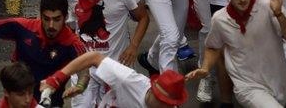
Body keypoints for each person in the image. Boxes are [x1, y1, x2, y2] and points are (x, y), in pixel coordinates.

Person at [187, 0, 286, 107]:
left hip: (278, 81)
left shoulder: (270, 7)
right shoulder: (220, 19)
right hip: (247, 86)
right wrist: (206, 68)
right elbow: (213, 47)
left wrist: (279, 15)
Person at [60, 0, 149, 106]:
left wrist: (133, 46)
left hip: (117, 66)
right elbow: (67, 27)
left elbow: (143, 17)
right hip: (84, 67)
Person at [39, 50, 188, 107]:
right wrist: (56, 79)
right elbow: (94, 57)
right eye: (164, 103)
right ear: (154, 91)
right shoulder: (128, 80)